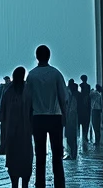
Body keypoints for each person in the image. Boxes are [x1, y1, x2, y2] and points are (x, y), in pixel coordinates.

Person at [25, 45, 69, 188]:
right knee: (57, 155)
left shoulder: (31, 75)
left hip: (37, 118)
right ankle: (59, 184)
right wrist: (65, 117)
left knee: (40, 155)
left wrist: (28, 120)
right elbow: (64, 98)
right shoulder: (56, 74)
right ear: (49, 56)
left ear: (37, 57)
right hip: (55, 117)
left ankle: (40, 184)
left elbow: (27, 100)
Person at [0, 68, 34, 188]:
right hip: (25, 133)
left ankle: (15, 184)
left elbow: (2, 111)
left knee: (13, 163)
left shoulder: (8, 91)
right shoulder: (27, 90)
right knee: (26, 162)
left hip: (11, 132)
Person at [64, 82, 79, 161]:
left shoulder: (72, 98)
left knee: (70, 137)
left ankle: (71, 154)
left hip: (70, 120)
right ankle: (73, 154)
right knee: (73, 137)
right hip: (72, 120)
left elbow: (70, 110)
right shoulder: (74, 97)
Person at [76, 79, 93, 148]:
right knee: (85, 127)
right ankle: (85, 137)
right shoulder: (88, 97)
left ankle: (80, 138)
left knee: (79, 127)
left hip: (80, 114)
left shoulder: (79, 96)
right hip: (86, 114)